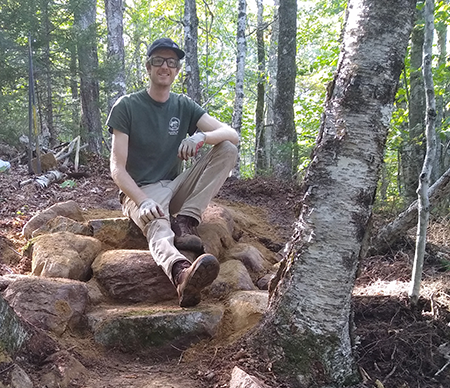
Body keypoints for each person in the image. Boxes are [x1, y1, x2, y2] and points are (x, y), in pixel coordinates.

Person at [106, 37, 239, 308]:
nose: (165, 67)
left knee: (226, 148)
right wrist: (141, 201)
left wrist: (200, 137)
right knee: (157, 223)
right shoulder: (127, 106)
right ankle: (181, 273)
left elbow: (232, 134)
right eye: (158, 61)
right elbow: (117, 168)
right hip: (142, 190)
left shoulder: (183, 105)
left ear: (177, 69)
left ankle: (187, 220)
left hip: (176, 185)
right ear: (148, 67)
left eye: (171, 62)